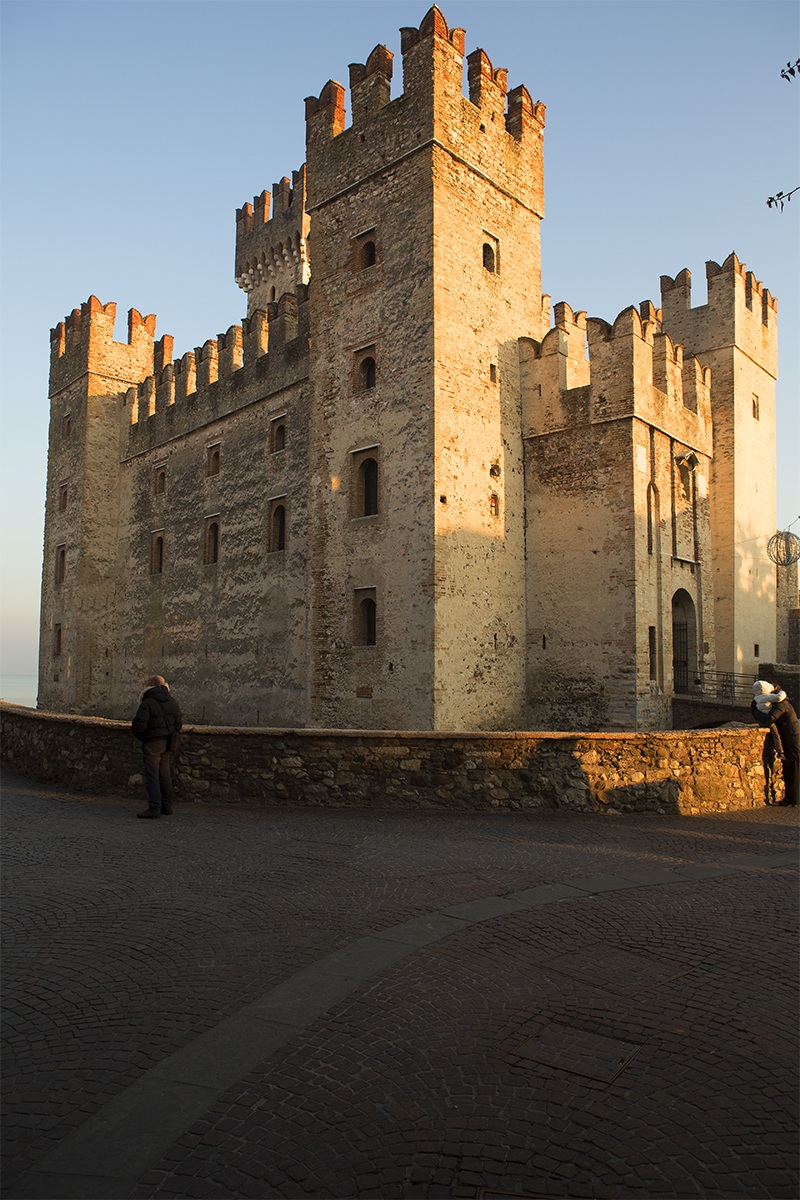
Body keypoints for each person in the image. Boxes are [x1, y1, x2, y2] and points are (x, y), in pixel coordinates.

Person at [131, 675, 183, 819]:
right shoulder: (172, 701)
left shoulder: (147, 702)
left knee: (152, 775)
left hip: (153, 742)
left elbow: (138, 725)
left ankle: (154, 808)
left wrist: (145, 737)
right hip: (168, 742)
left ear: (150, 685)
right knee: (165, 775)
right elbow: (178, 724)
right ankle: (167, 806)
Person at [751, 680, 800, 807]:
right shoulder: (781, 703)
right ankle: (790, 798)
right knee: (789, 769)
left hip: (792, 739)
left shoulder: (781, 704)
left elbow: (770, 718)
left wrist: (755, 712)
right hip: (790, 738)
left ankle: (794, 799)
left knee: (793, 770)